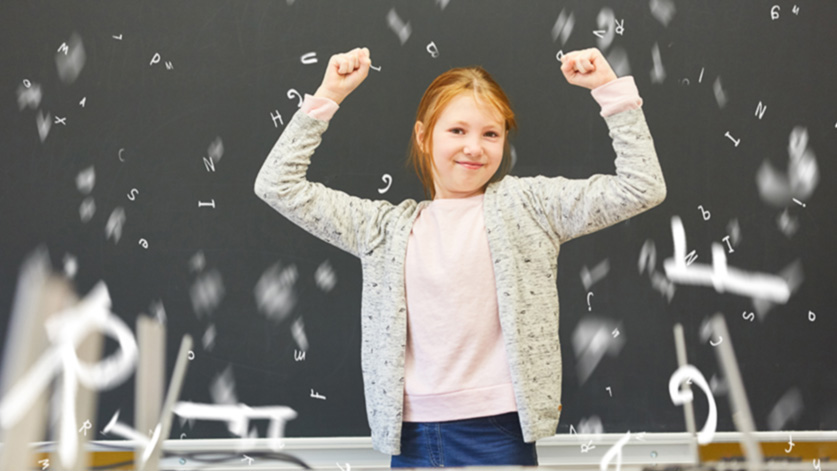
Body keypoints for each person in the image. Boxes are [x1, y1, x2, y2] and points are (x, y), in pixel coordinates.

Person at [254, 46, 666, 467]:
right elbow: (276, 185)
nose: (475, 147)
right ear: (423, 136)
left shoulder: (529, 207)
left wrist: (609, 90)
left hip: (498, 433)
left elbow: (642, 187)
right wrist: (328, 95)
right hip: (410, 438)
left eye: (491, 134)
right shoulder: (383, 229)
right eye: (457, 131)